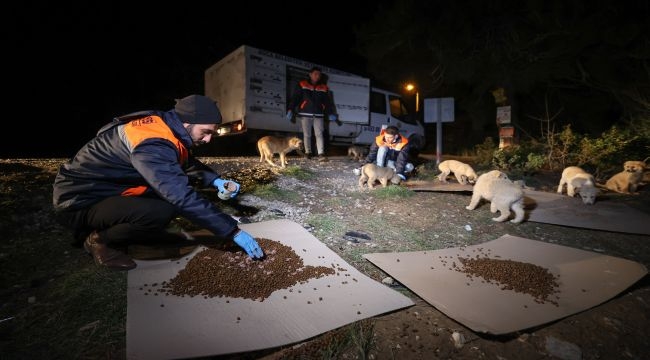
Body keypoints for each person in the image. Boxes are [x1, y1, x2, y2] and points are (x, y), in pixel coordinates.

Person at [52, 95, 264, 271]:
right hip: (78, 201)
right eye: (206, 132)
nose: (208, 140)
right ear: (187, 124)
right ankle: (99, 240)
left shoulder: (165, 125)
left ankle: (112, 226)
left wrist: (216, 180)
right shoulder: (152, 144)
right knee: (163, 210)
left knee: (162, 197)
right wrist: (232, 231)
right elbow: (180, 196)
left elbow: (183, 160)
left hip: (104, 189)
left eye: (212, 133)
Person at [286, 66, 338, 162]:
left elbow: (327, 102)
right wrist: (290, 109)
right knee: (307, 135)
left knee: (319, 134)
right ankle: (308, 152)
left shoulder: (323, 87)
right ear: (310, 74)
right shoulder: (302, 84)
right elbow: (295, 98)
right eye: (315, 74)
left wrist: (331, 113)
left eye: (319, 74)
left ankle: (321, 154)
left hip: (319, 115)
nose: (317, 76)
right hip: (305, 114)